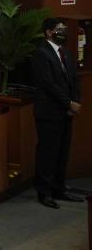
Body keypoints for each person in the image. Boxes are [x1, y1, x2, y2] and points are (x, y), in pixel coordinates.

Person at [31, 17, 82, 208]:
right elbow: (48, 84)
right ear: (48, 32)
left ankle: (58, 188)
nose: (63, 32)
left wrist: (76, 101)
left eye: (64, 29)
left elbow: (74, 79)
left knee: (62, 152)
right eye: (59, 29)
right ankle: (44, 192)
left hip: (66, 112)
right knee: (48, 153)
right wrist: (68, 103)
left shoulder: (66, 53)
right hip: (48, 112)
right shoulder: (40, 54)